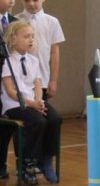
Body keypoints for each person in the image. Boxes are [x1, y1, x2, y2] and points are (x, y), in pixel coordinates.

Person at [1, 21, 61, 184]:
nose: (31, 40)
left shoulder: (33, 60)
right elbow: (11, 91)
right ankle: (27, 163)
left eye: (32, 36)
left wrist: (38, 101)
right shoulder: (7, 62)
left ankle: (46, 159)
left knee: (54, 119)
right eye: (26, 36)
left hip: (33, 100)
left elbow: (37, 84)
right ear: (13, 39)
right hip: (15, 104)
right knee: (37, 121)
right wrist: (31, 104)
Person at [16, 0, 65, 101]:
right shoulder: (16, 21)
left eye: (35, 0)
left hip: (43, 78)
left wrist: (53, 80)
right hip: (21, 79)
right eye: (27, 0)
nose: (31, 4)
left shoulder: (52, 22)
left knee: (42, 108)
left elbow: (54, 53)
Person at [0, 0, 18, 179]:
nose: (12, 0)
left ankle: (2, 164)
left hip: (10, 83)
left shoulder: (15, 23)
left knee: (6, 125)